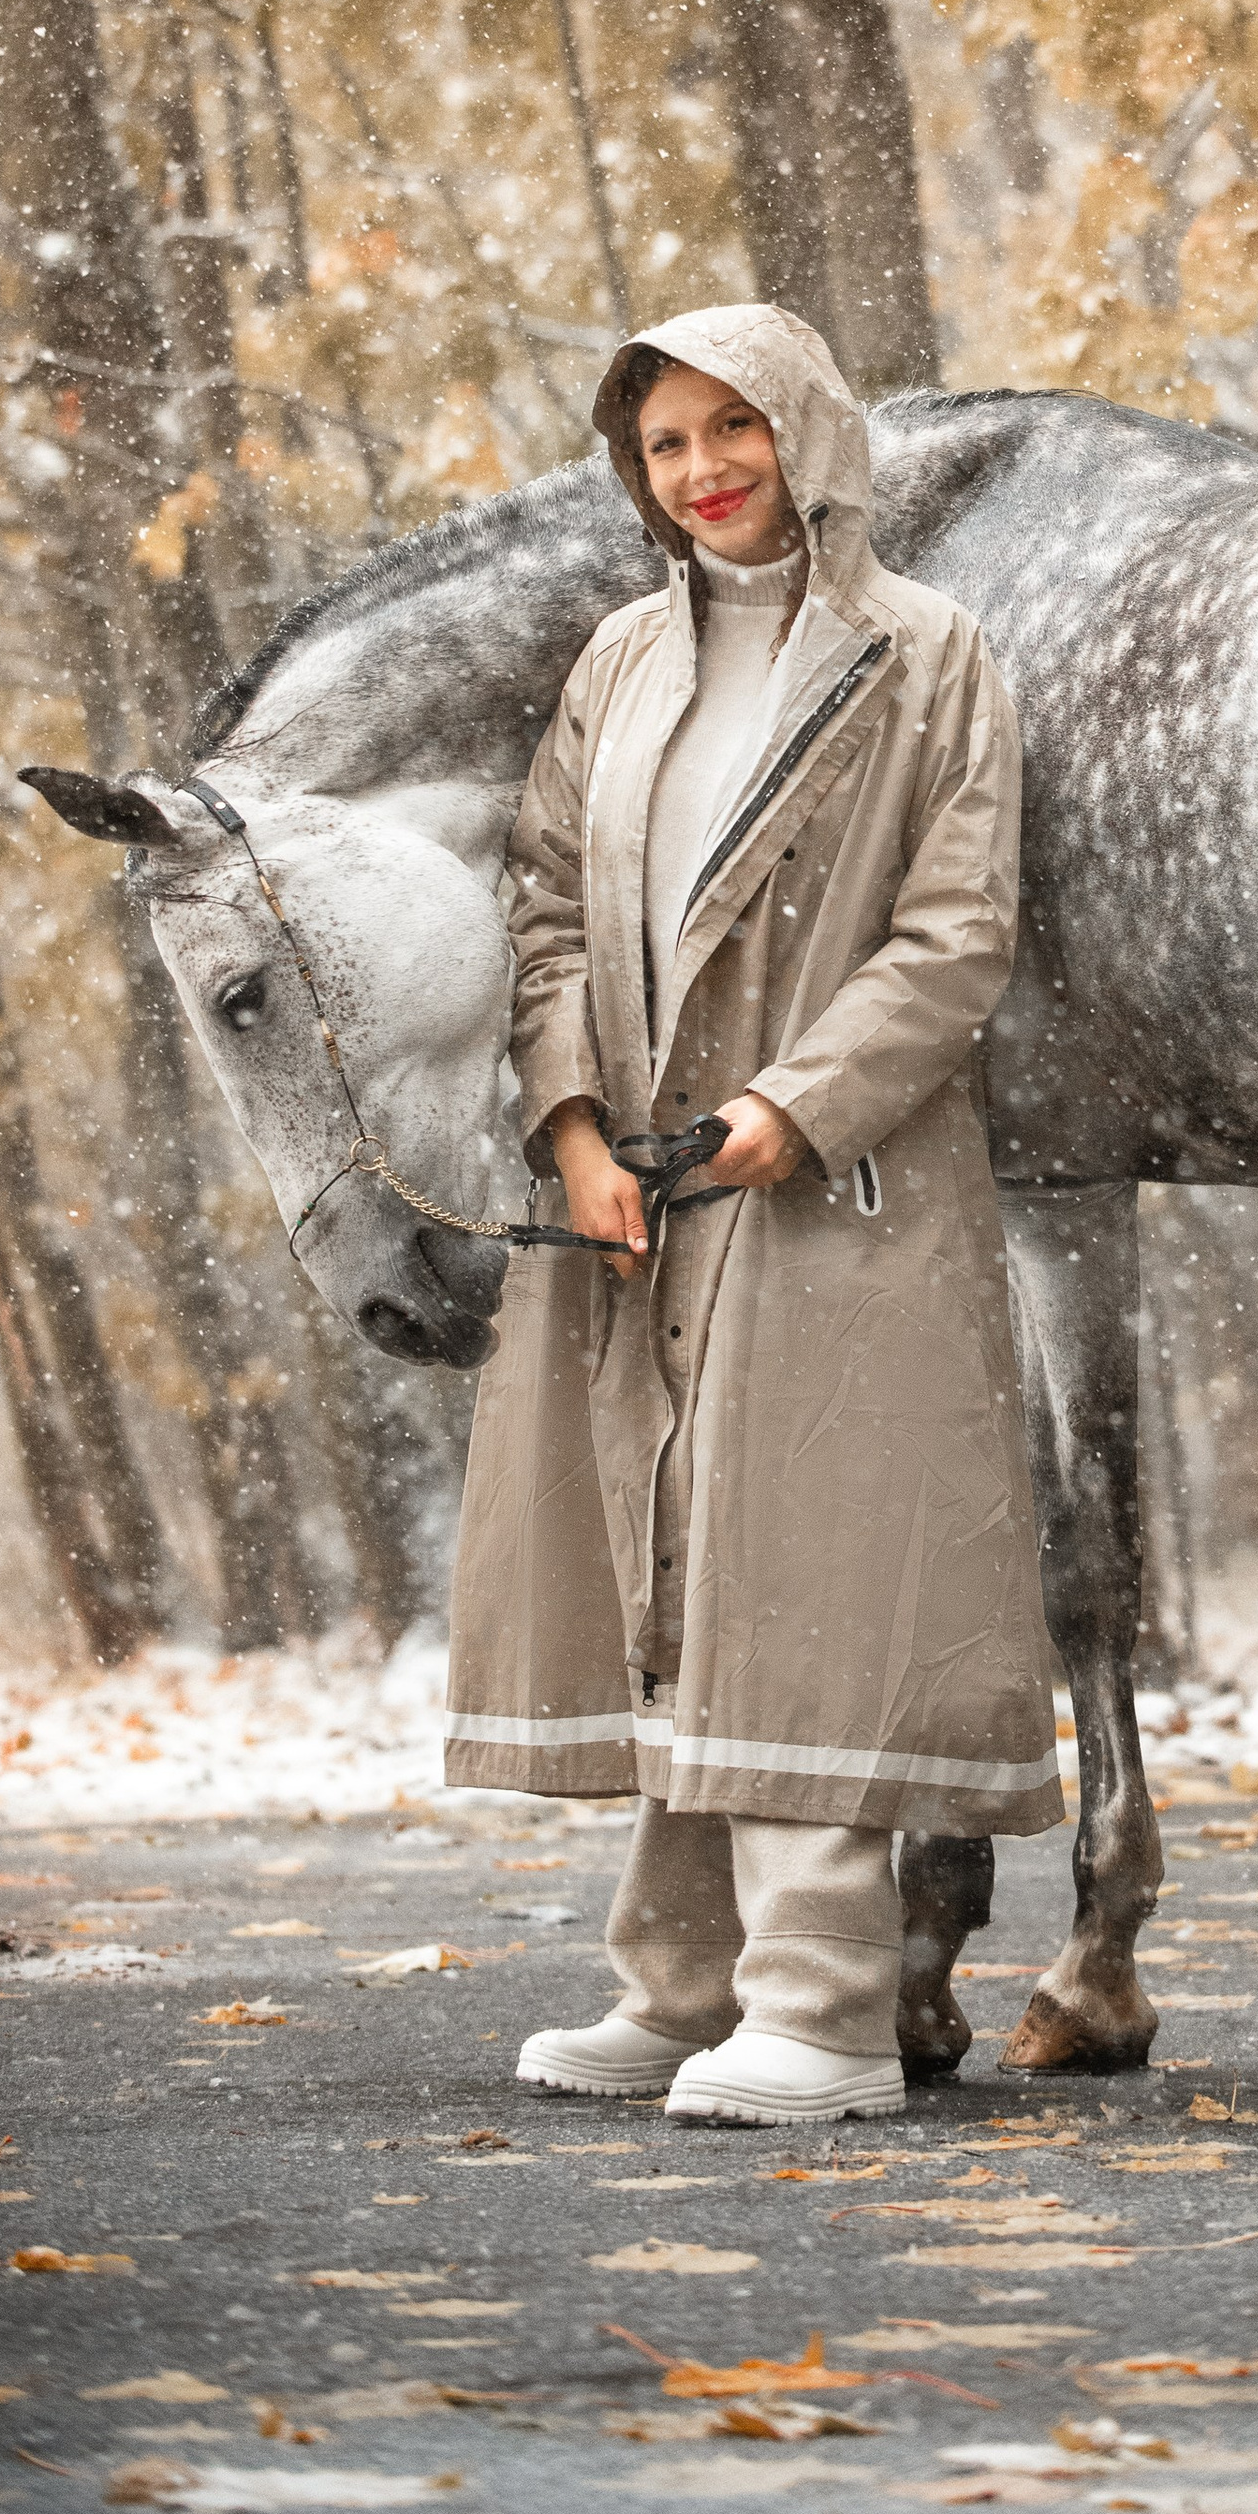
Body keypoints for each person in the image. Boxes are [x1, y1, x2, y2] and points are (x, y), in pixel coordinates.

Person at [439, 301, 1062, 2125]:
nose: (705, 471)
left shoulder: (927, 653)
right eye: (665, 447)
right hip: (633, 1189)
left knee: (809, 1574)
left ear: (807, 430)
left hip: (835, 1187)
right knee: (668, 1566)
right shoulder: (621, 661)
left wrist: (793, 1106)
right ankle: (685, 1987)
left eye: (736, 429)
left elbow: (959, 934)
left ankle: (830, 2013)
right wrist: (572, 1132)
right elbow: (549, 906)